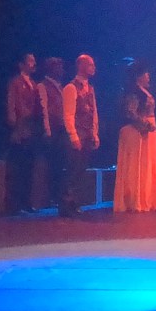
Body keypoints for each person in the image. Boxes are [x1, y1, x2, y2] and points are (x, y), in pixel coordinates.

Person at [113, 60, 156, 213]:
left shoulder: (143, 91)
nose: (148, 76)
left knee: (147, 163)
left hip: (147, 129)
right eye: (146, 73)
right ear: (139, 76)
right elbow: (130, 112)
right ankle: (135, 199)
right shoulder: (134, 92)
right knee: (137, 164)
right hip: (137, 130)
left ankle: (146, 197)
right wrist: (145, 125)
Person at [59, 54, 99, 217]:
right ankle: (66, 205)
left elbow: (94, 113)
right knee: (73, 170)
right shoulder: (71, 87)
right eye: (90, 65)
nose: (93, 68)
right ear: (81, 66)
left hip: (87, 135)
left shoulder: (90, 88)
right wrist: (73, 136)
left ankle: (75, 203)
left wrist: (95, 133)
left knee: (81, 170)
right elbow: (68, 115)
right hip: (77, 135)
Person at [6, 53, 43, 213]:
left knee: (29, 166)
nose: (33, 63)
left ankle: (26, 202)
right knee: (18, 167)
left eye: (34, 60)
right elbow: (11, 104)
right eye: (30, 61)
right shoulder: (15, 82)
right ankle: (15, 204)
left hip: (31, 129)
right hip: (20, 129)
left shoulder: (34, 84)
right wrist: (14, 126)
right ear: (22, 65)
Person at [35, 57, 65, 208]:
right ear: (51, 69)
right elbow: (44, 109)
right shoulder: (43, 86)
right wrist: (47, 130)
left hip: (60, 130)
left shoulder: (60, 87)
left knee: (59, 164)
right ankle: (50, 197)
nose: (61, 70)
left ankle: (57, 196)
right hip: (51, 130)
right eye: (58, 67)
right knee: (51, 165)